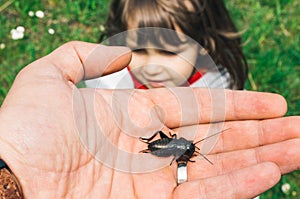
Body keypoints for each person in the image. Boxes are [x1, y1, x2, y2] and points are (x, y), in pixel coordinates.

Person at [0, 41, 299, 198]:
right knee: (161, 145)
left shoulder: (182, 147)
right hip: (161, 148)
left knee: (162, 145)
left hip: (163, 149)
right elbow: (177, 151)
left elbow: (178, 152)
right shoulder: (180, 148)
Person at [85, 0, 248, 90]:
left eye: (169, 53)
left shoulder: (217, 86)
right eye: (139, 50)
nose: (152, 68)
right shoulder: (109, 82)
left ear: (204, 44)